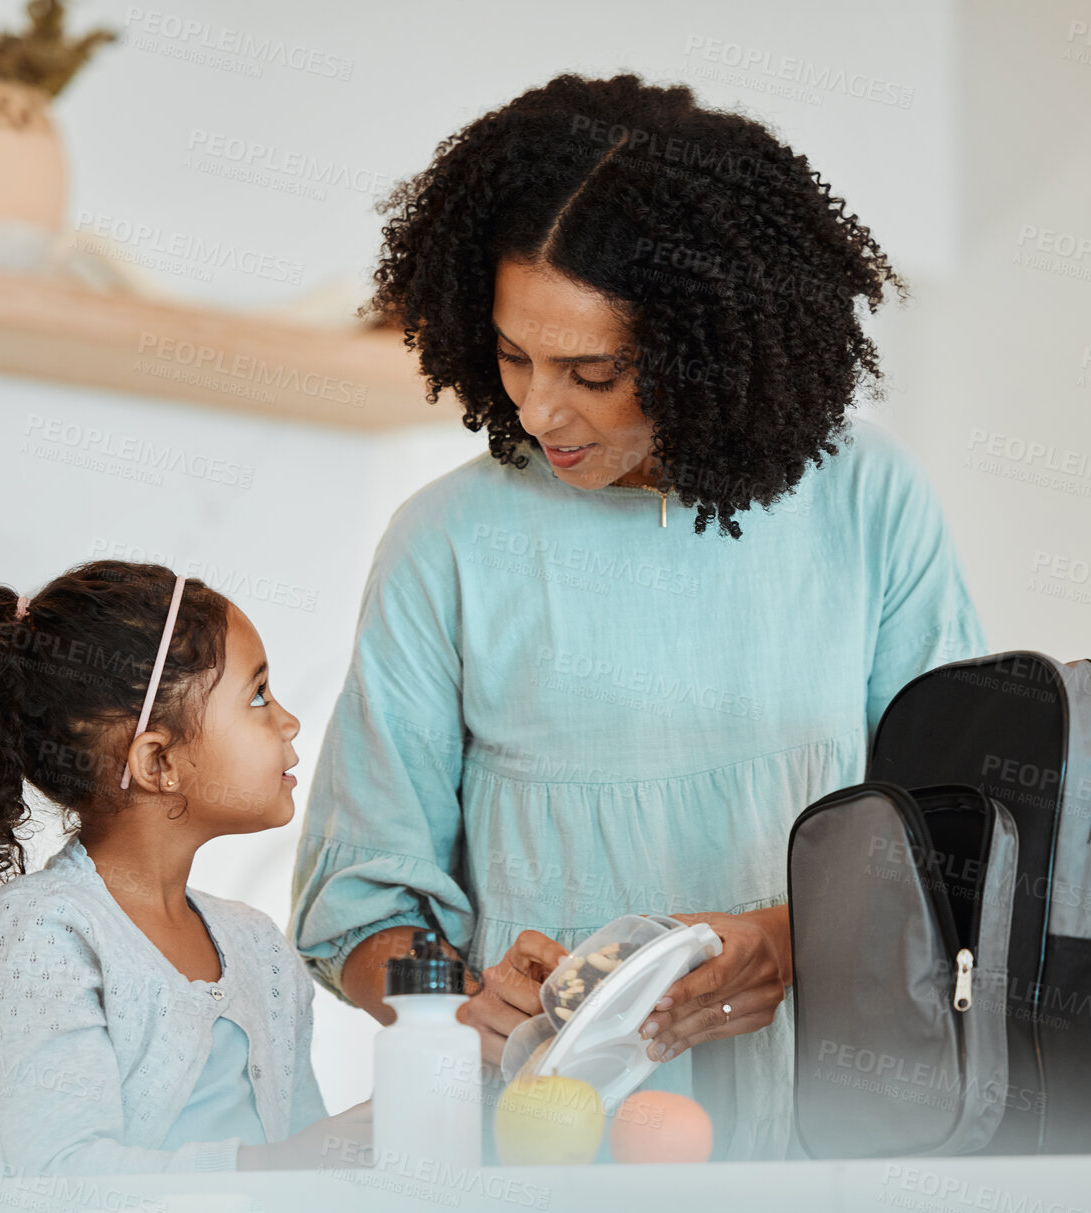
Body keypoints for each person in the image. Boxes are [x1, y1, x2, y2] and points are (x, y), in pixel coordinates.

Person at [290, 71, 989, 1161]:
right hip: (541, 1150)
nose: (536, 408)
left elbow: (959, 837)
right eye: (513, 356)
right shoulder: (447, 542)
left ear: (708, 347)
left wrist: (788, 940)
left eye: (591, 369)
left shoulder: (867, 504)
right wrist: (458, 1000)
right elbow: (358, 902)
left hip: (842, 1136)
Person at [0, 561, 370, 1204]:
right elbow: (63, 1178)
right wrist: (293, 1161)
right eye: (258, 696)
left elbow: (299, 1168)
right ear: (157, 760)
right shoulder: (46, 934)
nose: (289, 721)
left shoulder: (259, 948)